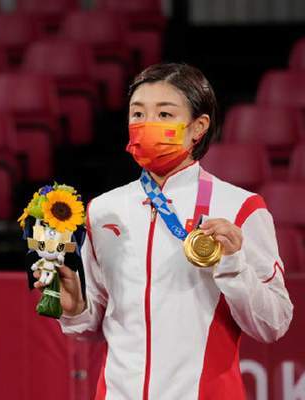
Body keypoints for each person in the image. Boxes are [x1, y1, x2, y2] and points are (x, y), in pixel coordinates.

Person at [37, 63, 293, 399]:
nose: (147, 125)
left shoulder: (241, 208)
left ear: (198, 127)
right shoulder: (103, 210)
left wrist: (234, 265)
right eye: (138, 114)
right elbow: (95, 323)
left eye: (165, 114)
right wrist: (73, 307)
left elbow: (273, 323)